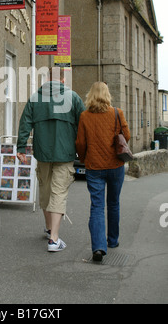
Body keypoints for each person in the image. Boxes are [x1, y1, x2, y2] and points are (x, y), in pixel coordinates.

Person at [17, 67, 85, 252]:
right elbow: (84, 125)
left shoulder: (36, 98)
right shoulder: (73, 97)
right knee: (58, 193)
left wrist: (21, 147)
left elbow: (25, 122)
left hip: (43, 152)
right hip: (65, 153)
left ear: (47, 79)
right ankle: (54, 239)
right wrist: (85, 150)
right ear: (63, 80)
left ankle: (49, 230)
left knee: (46, 190)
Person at [75, 82, 131, 262]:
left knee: (97, 206)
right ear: (107, 94)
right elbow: (127, 136)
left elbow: (80, 143)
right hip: (115, 165)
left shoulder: (84, 116)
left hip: (94, 167)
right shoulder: (117, 113)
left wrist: (84, 158)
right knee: (113, 203)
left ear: (90, 95)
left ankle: (99, 247)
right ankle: (113, 240)